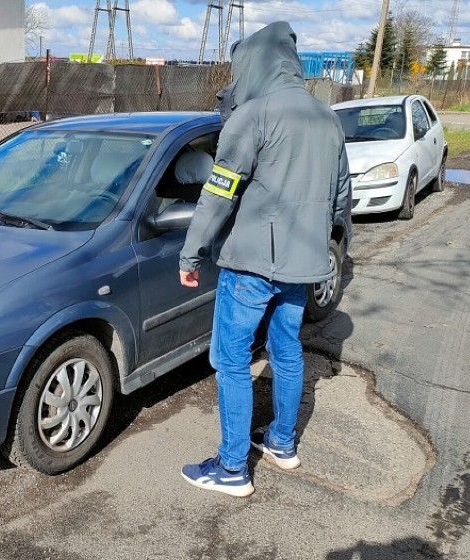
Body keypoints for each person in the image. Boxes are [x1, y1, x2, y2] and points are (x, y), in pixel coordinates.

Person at [178, 21, 351, 497]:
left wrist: (191, 253)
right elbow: (340, 200)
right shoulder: (327, 118)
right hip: (303, 264)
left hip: (251, 265)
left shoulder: (253, 116)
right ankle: (281, 443)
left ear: (252, 64)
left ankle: (232, 468)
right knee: (287, 351)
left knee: (231, 360)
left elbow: (218, 193)